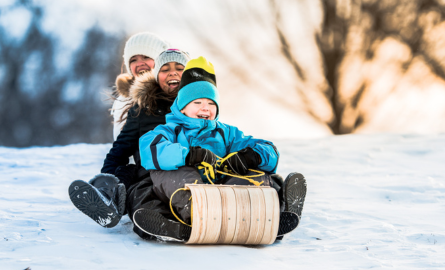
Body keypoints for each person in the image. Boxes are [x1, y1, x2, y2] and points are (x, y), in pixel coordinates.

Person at [132, 56, 307, 242]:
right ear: (182, 108)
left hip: (225, 193)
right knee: (168, 173)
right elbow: (149, 149)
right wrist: (189, 155)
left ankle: (267, 215)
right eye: (197, 103)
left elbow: (269, 149)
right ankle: (183, 222)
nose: (205, 108)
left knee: (259, 175)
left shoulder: (226, 133)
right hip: (189, 197)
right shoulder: (169, 131)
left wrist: (251, 157)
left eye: (211, 104)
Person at [68, 44, 191, 235]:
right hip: (148, 173)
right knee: (133, 186)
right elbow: (121, 148)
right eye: (165, 70)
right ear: (157, 76)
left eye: (179, 69)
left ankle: (180, 223)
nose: (172, 73)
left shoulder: (199, 106)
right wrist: (107, 178)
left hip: (185, 170)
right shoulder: (143, 109)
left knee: (177, 192)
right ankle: (110, 199)